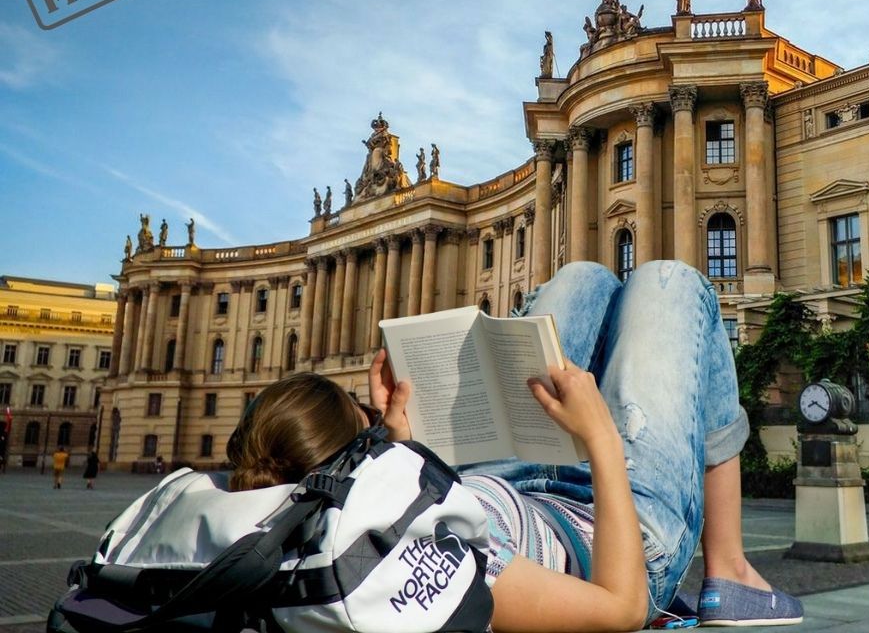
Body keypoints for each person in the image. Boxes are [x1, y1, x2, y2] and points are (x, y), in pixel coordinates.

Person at [229, 260, 802, 630]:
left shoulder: (344, 512)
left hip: (515, 481)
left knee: (585, 278)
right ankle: (729, 569)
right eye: (368, 427)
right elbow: (620, 607)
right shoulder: (420, 563)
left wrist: (397, 434)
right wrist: (599, 433)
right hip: (614, 528)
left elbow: (395, 499)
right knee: (671, 283)